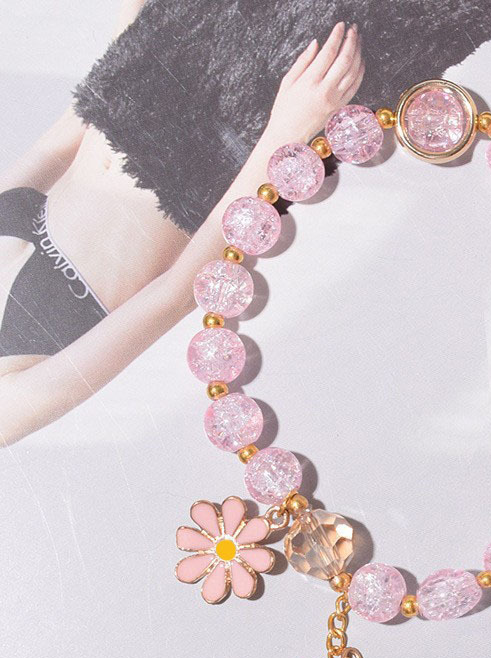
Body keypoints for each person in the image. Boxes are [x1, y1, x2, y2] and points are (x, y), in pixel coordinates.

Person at [0, 3, 365, 445]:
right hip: (235, 132)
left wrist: (136, 27)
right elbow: (176, 293)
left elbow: (67, 131)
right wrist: (285, 133)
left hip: (164, 54)